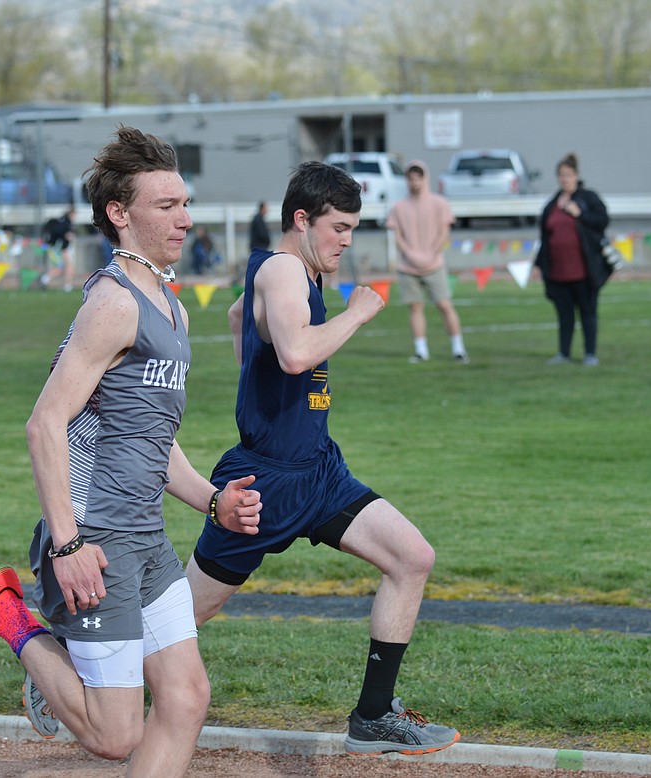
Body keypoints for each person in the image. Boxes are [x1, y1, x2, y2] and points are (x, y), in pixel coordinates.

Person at [0, 126, 262, 776]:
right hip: (94, 537)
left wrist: (212, 501)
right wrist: (67, 546)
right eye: (167, 205)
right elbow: (44, 424)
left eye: (184, 203)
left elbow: (152, 439)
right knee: (113, 733)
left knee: (185, 697)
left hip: (145, 537)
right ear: (120, 214)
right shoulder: (114, 303)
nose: (185, 218)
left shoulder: (168, 305)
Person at [186, 161, 460, 757]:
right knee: (183, 617)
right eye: (338, 227)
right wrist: (357, 312)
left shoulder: (281, 270)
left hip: (319, 469)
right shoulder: (285, 268)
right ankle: (69, 668)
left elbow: (238, 316)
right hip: (266, 483)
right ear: (302, 219)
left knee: (412, 557)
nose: (346, 241)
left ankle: (373, 718)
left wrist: (257, 389)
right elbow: (292, 354)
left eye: (353, 229)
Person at [386, 161, 468, 364]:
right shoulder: (399, 207)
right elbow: (397, 237)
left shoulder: (439, 203)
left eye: (418, 178)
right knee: (415, 307)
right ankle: (421, 350)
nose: (414, 183)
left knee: (445, 305)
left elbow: (444, 232)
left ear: (425, 178)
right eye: (410, 179)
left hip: (434, 264)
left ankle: (458, 348)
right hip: (408, 266)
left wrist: (431, 253)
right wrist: (411, 254)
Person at [535, 152, 611, 367]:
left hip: (584, 270)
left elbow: (602, 221)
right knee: (564, 315)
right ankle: (564, 353)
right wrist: (538, 264)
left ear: (576, 175)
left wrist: (579, 213)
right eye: (561, 175)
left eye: (568, 175)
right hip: (559, 271)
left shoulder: (588, 198)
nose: (564, 179)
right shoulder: (552, 204)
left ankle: (590, 353)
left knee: (588, 312)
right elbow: (545, 237)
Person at [41, 206, 77, 291]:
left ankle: (46, 279)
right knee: (68, 266)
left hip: (61, 248)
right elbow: (65, 234)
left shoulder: (62, 221)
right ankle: (67, 285)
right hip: (64, 248)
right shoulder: (66, 222)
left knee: (63, 267)